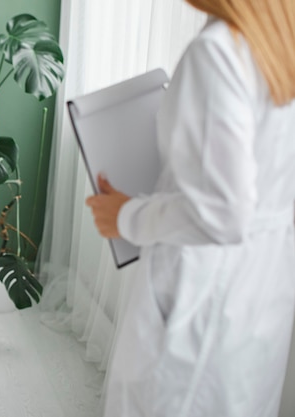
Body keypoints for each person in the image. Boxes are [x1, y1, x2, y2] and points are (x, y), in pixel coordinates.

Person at [85, 1, 295, 416]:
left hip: (199, 300)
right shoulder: (278, 48)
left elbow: (223, 213)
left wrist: (126, 216)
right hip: (261, 296)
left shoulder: (217, 53)